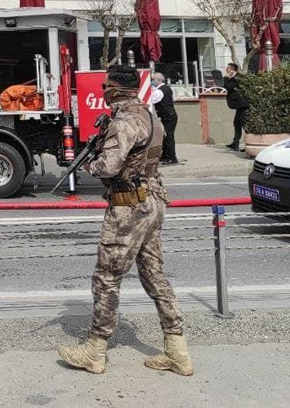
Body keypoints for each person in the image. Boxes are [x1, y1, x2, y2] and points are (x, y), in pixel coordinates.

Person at [58, 64, 192, 377]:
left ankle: (95, 350)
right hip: (152, 202)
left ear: (117, 89)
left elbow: (109, 166)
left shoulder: (124, 121)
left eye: (106, 86)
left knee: (106, 277)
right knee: (154, 275)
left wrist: (89, 167)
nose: (103, 91)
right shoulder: (150, 115)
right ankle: (177, 351)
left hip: (128, 208)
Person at [152, 73, 178, 165]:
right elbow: (173, 99)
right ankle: (165, 156)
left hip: (167, 116)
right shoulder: (167, 89)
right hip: (170, 114)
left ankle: (172, 158)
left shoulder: (159, 91)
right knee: (165, 136)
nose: (152, 82)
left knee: (168, 136)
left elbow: (152, 101)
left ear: (157, 80)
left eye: (153, 79)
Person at [224, 63, 248, 151]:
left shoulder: (237, 77)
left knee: (245, 125)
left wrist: (226, 78)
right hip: (239, 105)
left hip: (242, 104)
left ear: (232, 69)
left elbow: (227, 87)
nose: (226, 69)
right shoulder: (234, 78)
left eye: (227, 68)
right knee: (237, 123)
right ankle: (235, 143)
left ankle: (249, 144)